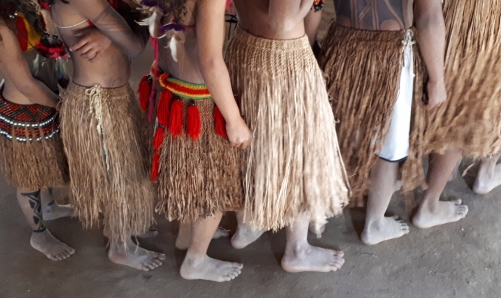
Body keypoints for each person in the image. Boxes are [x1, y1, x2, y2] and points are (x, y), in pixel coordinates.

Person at [224, 0, 350, 273]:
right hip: (284, 61)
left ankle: (248, 224)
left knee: (253, 148)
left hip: (244, 44)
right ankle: (297, 250)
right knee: (300, 155)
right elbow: (282, 20)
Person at [317, 0, 451, 245]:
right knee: (389, 149)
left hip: (342, 45)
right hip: (391, 54)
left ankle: (326, 206)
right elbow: (429, 16)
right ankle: (374, 224)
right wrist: (437, 80)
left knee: (344, 133)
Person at [48, 0, 165, 271]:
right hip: (96, 104)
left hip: (112, 98)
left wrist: (107, 33)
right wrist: (116, 33)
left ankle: (130, 223)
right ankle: (120, 247)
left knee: (128, 168)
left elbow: (134, 26)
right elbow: (136, 46)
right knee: (118, 177)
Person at [138, 0, 246, 282]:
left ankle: (187, 237)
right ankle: (196, 260)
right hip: (199, 102)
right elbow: (210, 62)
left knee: (190, 179)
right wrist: (234, 120)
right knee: (212, 188)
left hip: (171, 90)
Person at [0, 0, 74, 260]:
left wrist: (62, 81)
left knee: (45, 165)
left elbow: (48, 51)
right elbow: (27, 85)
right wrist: (65, 107)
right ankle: (38, 234)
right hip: (24, 113)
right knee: (29, 178)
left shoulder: (17, 7)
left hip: (42, 104)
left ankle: (49, 207)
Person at [413, 0, 501, 226]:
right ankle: (429, 205)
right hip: (474, 24)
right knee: (461, 114)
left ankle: (474, 171)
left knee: (459, 107)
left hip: (465, 20)